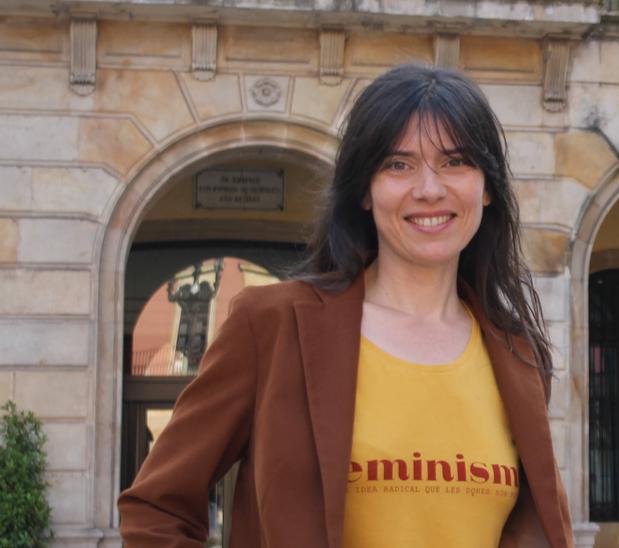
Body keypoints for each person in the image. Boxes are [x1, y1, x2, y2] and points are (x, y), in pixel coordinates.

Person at [119, 65, 573, 548]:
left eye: (455, 162)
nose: (429, 189)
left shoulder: (515, 353)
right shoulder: (273, 326)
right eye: (398, 165)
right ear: (363, 190)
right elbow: (155, 511)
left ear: (486, 187)